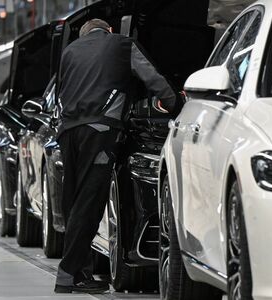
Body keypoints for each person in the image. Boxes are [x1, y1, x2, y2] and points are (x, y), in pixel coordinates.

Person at [54, 18, 176, 294]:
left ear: (85, 34)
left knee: (74, 201)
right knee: (90, 201)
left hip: (67, 132)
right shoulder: (122, 44)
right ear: (109, 30)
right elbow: (152, 78)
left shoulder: (70, 51)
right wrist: (173, 103)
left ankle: (79, 274)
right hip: (99, 131)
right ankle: (66, 275)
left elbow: (64, 88)